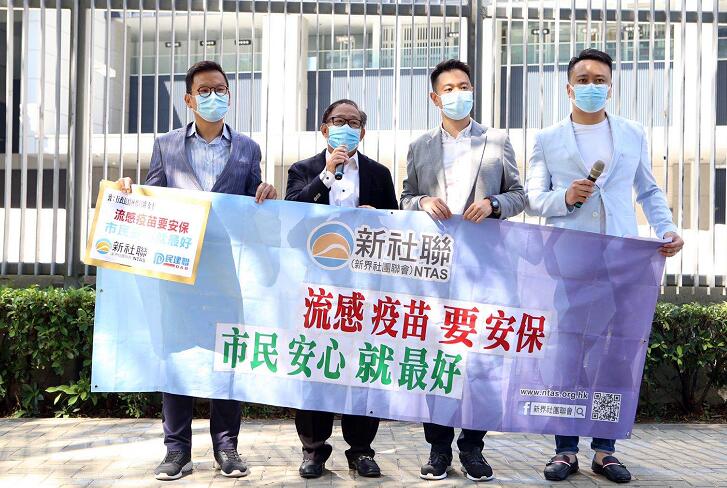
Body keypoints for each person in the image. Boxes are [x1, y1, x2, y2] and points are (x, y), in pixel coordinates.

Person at [525, 48, 684, 484]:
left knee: (617, 354)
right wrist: (564, 198)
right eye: (584, 79)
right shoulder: (548, 138)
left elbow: (648, 190)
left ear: (610, 87)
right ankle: (564, 449)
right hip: (571, 261)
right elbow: (534, 197)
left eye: (600, 80)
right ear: (569, 87)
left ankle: (605, 449)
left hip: (623, 260)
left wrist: (666, 228)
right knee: (569, 353)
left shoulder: (632, 133)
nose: (592, 86)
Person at [116, 60, 277, 481]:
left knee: (228, 357)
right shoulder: (167, 145)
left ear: (229, 95)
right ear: (189, 99)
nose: (213, 96)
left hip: (227, 274)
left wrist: (263, 191)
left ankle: (227, 447)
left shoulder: (247, 148)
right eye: (204, 90)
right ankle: (176, 450)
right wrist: (130, 193)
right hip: (178, 274)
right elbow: (151, 197)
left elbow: (252, 206)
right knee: (177, 357)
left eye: (220, 89)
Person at [400, 59, 526, 482]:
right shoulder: (419, 146)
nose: (458, 93)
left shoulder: (496, 140)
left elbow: (519, 195)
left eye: (464, 86)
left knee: (480, 360)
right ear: (435, 98)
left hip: (484, 270)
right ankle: (438, 448)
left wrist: (493, 204)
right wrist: (421, 202)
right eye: (449, 88)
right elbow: (405, 197)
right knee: (435, 358)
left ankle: (472, 446)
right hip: (435, 271)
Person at [285, 98, 397, 479]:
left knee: (363, 367)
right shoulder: (303, 170)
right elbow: (293, 216)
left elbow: (397, 228)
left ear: (363, 132)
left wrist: (378, 219)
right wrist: (326, 176)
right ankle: (314, 450)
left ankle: (361, 450)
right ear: (324, 128)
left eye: (353, 122)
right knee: (315, 366)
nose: (346, 128)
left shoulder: (379, 174)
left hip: (364, 291)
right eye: (338, 121)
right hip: (317, 290)